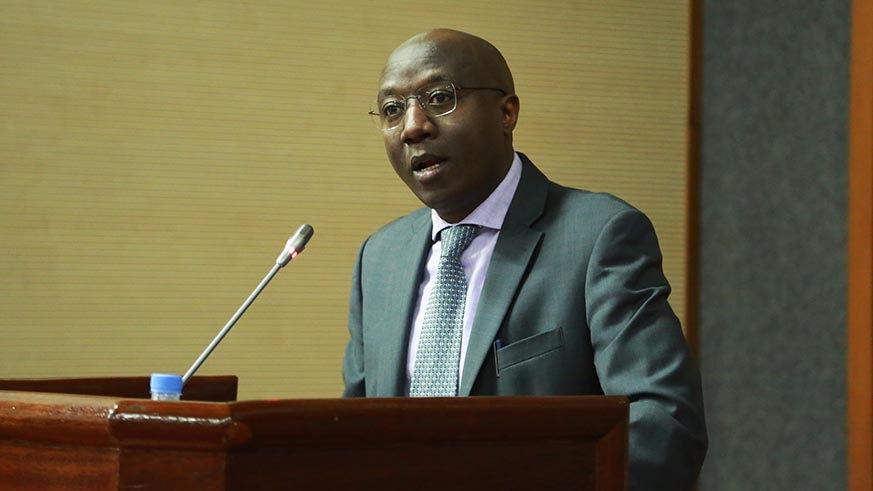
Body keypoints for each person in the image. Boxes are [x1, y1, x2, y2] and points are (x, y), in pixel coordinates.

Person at [342, 28, 707, 490]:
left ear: (506, 112)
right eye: (393, 109)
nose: (413, 125)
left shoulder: (599, 235)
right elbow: (351, 433)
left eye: (439, 97)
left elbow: (666, 425)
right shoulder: (380, 258)